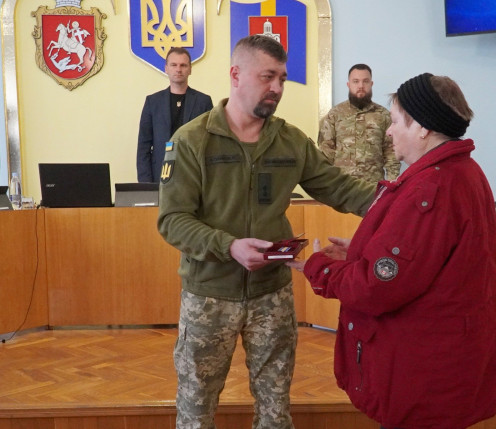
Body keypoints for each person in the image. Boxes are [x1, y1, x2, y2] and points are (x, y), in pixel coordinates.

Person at [157, 35, 376, 429]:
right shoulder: (191, 141)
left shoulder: (290, 141)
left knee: (275, 411)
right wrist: (229, 246)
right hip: (209, 297)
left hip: (272, 295)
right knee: (195, 412)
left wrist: (400, 203)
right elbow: (172, 220)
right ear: (236, 75)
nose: (277, 87)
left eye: (282, 79)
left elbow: (340, 188)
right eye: (267, 77)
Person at [288, 73, 496, 429]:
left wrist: (320, 268)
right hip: (444, 363)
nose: (388, 132)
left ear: (422, 128)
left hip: (422, 375)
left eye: (394, 122)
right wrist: (361, 251)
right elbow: (426, 259)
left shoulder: (429, 189)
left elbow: (376, 287)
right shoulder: (462, 171)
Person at [137, 47, 213, 182]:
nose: (178, 69)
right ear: (166, 68)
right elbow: (144, 147)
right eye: (174, 65)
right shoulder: (152, 102)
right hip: (160, 177)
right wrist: (146, 185)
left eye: (183, 65)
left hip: (194, 176)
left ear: (190, 69)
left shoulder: (203, 101)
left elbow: (211, 144)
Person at [317, 63, 400, 184]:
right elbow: (325, 154)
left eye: (365, 81)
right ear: (348, 84)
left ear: (371, 84)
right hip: (342, 186)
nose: (361, 86)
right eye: (355, 81)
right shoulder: (335, 115)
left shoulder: (384, 115)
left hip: (373, 187)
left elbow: (391, 152)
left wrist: (392, 184)